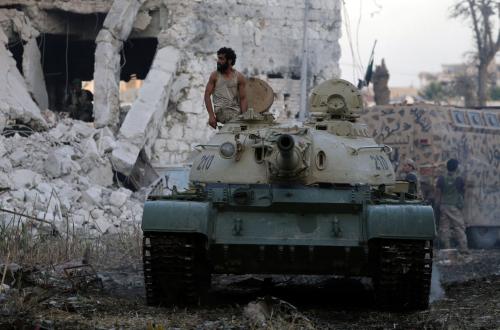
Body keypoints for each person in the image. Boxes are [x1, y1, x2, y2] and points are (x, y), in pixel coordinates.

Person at [204, 47, 248, 128]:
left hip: (235, 112)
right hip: (221, 112)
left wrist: (244, 117)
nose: (218, 61)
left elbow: (243, 98)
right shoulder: (215, 76)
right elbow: (207, 94)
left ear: (229, 61)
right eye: (218, 58)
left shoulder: (239, 77)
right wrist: (211, 116)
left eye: (221, 59)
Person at [435, 159, 467, 251]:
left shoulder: (441, 178)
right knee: (459, 227)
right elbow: (463, 191)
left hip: (443, 206)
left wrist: (437, 204)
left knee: (444, 228)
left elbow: (438, 192)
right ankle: (464, 248)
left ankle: (447, 248)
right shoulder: (459, 179)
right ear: (456, 167)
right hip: (454, 206)